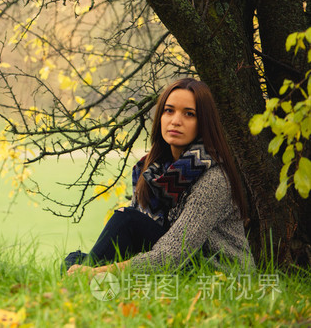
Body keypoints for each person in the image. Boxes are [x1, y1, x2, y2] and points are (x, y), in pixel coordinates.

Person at [65, 77, 254, 277]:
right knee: (73, 259)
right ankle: (80, 277)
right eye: (169, 110)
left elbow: (172, 254)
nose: (175, 121)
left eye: (189, 114)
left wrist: (97, 272)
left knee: (125, 220)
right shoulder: (151, 170)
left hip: (216, 273)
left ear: (203, 123)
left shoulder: (214, 179)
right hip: (178, 260)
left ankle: (80, 282)